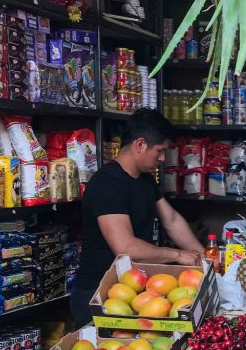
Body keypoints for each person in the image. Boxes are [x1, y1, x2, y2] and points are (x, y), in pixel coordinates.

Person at [69, 109, 205, 327]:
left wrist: (203, 259)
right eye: (160, 151)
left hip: (130, 289)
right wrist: (178, 255)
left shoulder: (145, 181)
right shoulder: (108, 185)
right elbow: (126, 248)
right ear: (140, 144)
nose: (162, 159)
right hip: (99, 294)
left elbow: (171, 221)